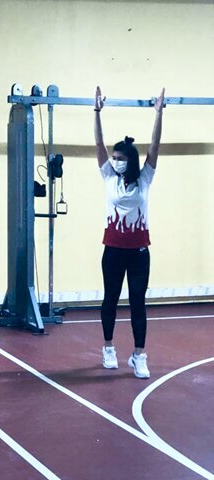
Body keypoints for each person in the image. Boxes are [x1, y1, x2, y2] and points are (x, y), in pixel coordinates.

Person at [94, 86, 165, 379]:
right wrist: (97, 112)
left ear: (131, 160)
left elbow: (155, 146)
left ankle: (139, 355)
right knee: (110, 298)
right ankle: (108, 348)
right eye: (114, 157)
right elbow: (98, 144)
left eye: (121, 158)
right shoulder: (109, 176)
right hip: (112, 249)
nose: (116, 161)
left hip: (138, 252)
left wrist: (158, 113)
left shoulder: (144, 178)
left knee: (138, 301)